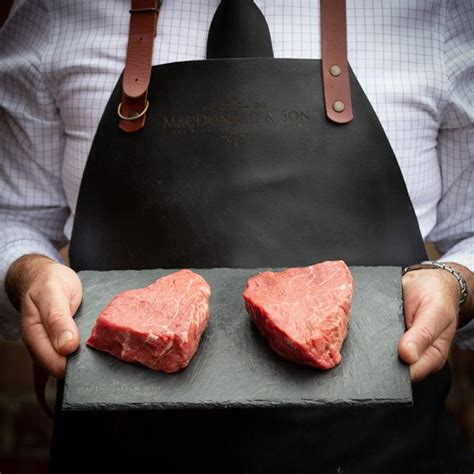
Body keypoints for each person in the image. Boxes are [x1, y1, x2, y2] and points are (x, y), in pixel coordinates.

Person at [1, 1, 473, 472]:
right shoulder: (56, 14)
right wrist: (27, 273)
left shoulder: (436, 17)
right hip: (121, 455)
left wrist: (457, 282)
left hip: (385, 455)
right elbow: (12, 219)